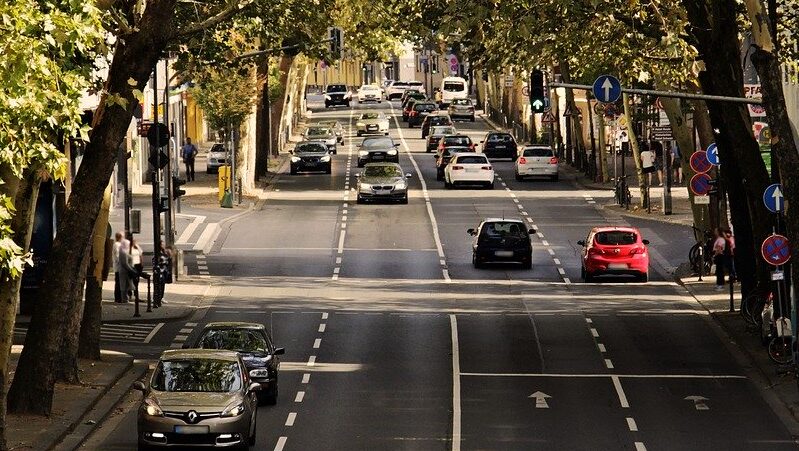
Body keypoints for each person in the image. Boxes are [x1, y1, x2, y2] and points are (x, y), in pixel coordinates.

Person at [112, 232, 130, 303]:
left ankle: (121, 297)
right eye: (123, 237)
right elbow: (117, 255)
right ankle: (118, 298)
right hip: (119, 267)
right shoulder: (117, 245)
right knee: (119, 282)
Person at [154, 243, 173, 307]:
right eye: (162, 244)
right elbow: (157, 261)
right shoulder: (158, 253)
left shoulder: (164, 252)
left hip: (164, 271)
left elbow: (169, 259)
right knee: (158, 285)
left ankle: (161, 297)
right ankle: (157, 299)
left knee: (162, 285)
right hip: (160, 271)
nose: (164, 245)